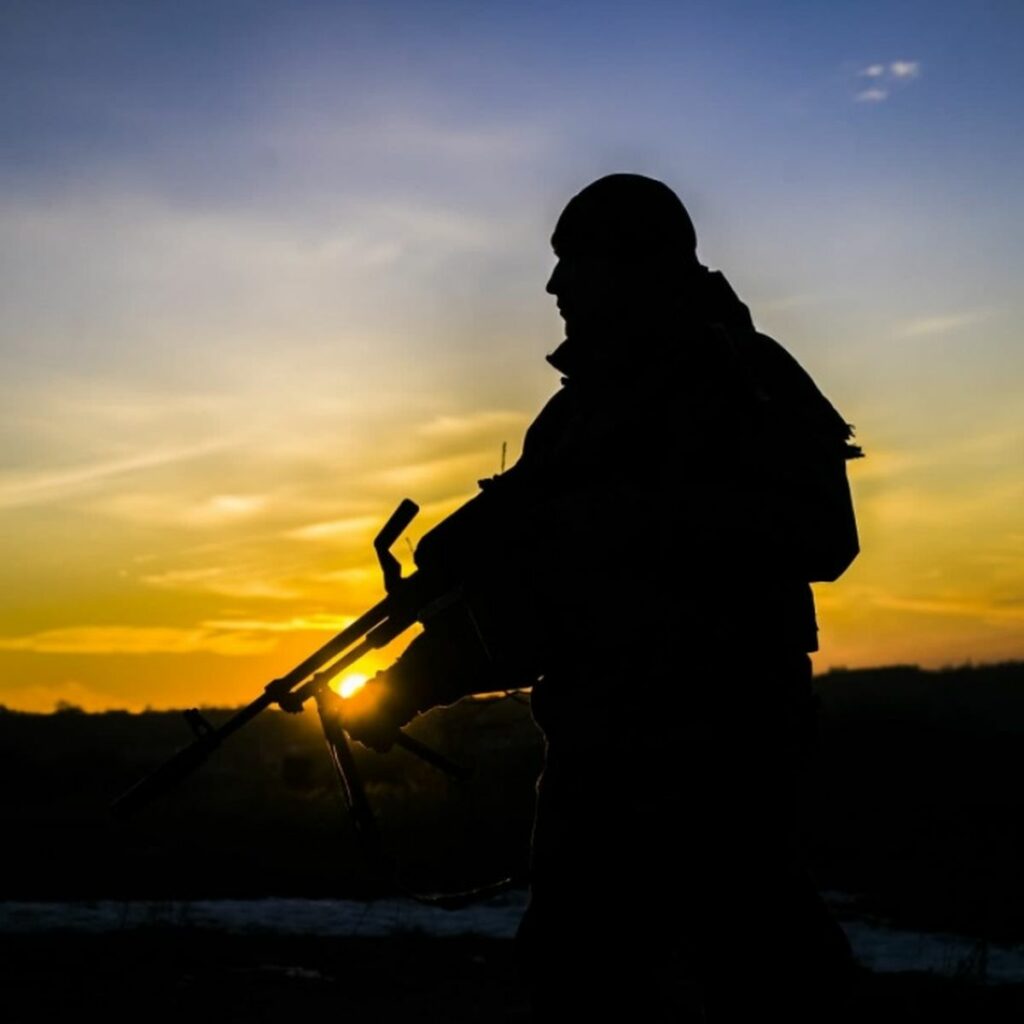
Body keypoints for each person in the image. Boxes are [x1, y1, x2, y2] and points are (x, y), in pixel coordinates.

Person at [343, 174, 863, 1021]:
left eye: (571, 262)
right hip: (597, 761)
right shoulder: (576, 415)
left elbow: (822, 538)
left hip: (720, 751)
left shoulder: (745, 376)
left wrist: (614, 521)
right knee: (576, 981)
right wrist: (406, 683)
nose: (553, 288)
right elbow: (535, 609)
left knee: (767, 977)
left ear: (636, 264)